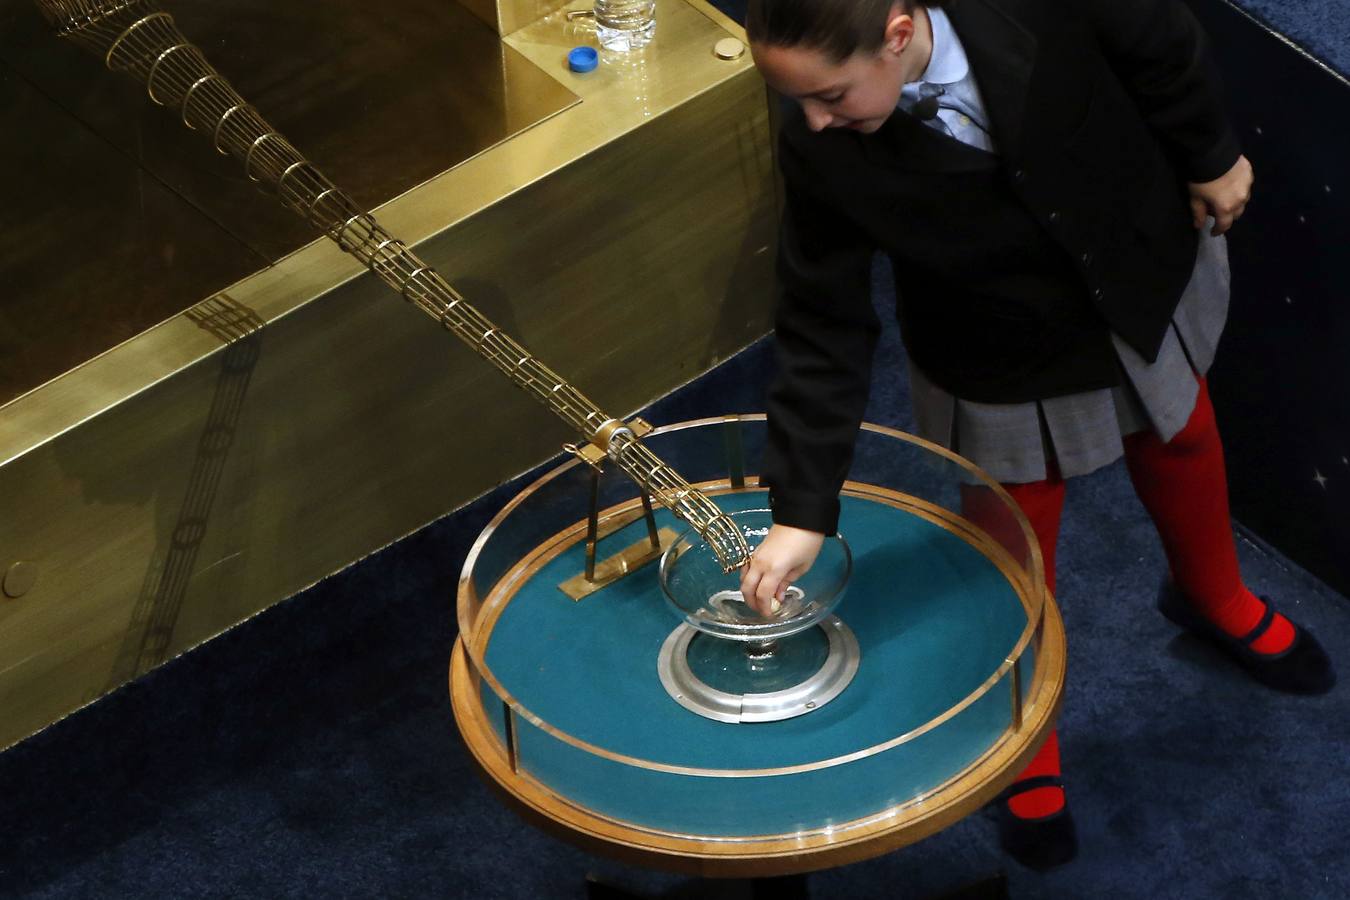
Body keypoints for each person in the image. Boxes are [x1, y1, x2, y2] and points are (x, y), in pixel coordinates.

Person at [735, 0, 1336, 870]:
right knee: (1018, 535)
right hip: (997, 346)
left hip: (1131, 265)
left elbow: (1158, 41)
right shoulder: (820, 147)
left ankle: (1214, 598)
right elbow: (821, 324)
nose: (815, 119)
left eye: (830, 93)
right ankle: (1025, 726)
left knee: (1183, 435)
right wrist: (801, 509)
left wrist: (1209, 153)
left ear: (898, 32)